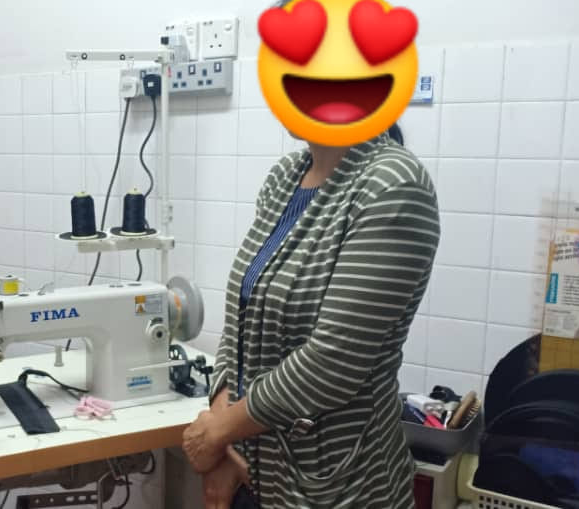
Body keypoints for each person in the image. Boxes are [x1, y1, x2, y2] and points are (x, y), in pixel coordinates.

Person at [182, 124, 439, 509]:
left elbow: (333, 362)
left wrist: (217, 432)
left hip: (338, 490)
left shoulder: (394, 184)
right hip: (250, 474)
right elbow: (242, 322)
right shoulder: (285, 177)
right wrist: (222, 444)